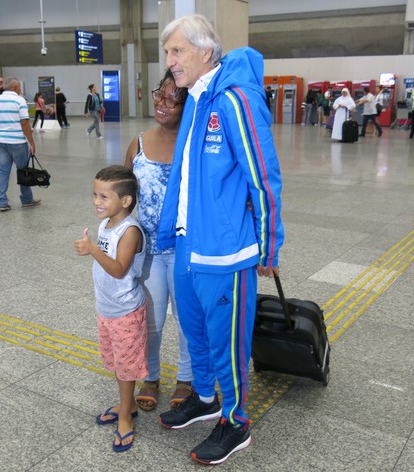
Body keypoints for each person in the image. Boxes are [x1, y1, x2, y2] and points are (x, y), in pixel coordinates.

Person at [156, 14, 284, 465]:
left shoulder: (234, 100)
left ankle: (235, 421)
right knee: (196, 330)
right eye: (168, 52)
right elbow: (186, 173)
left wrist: (269, 244)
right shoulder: (196, 97)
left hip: (228, 250)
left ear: (205, 51)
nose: (169, 61)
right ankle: (206, 397)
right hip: (191, 242)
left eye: (177, 51)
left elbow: (263, 178)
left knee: (226, 339)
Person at [124, 70, 192, 413]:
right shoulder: (138, 142)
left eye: (171, 98)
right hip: (148, 252)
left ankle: (186, 378)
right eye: (158, 95)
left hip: (185, 251)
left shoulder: (195, 144)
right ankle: (150, 376)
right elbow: (125, 200)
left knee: (186, 318)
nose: (161, 104)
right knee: (150, 321)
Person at [74, 165, 147, 453]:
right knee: (117, 362)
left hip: (126, 311)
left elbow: (118, 270)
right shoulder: (106, 224)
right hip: (106, 307)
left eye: (104, 197)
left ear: (125, 201)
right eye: (95, 195)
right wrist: (93, 248)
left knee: (127, 368)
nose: (96, 202)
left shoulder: (129, 231)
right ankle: (125, 403)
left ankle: (126, 416)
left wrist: (92, 250)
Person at [0, 77, 40, 211]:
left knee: (3, 172)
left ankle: (2, 202)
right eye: (20, 88)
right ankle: (27, 199)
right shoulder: (19, 100)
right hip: (17, 142)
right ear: (16, 87)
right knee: (23, 171)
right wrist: (32, 142)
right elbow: (24, 123)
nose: (20, 90)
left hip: (1, 142)